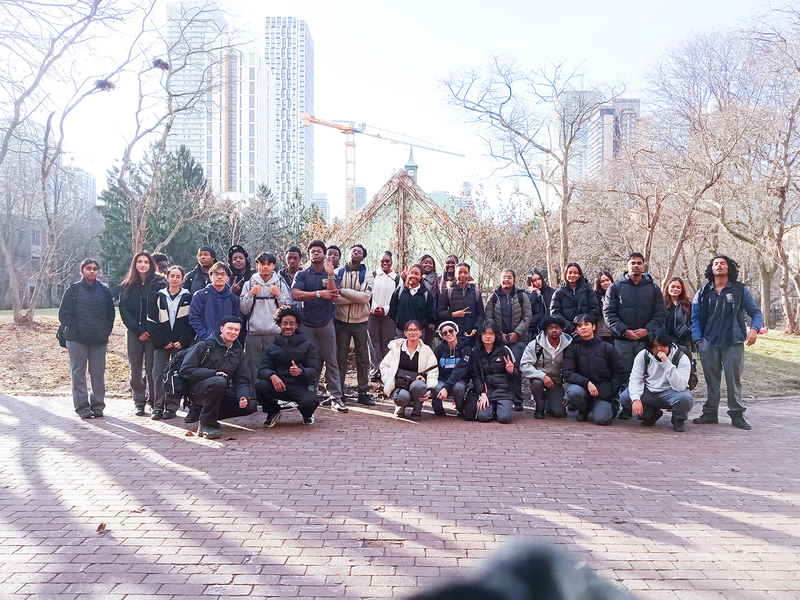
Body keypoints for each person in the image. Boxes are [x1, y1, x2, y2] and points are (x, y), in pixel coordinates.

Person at [691, 255, 762, 430]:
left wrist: (754, 329)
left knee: (733, 380)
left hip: (733, 341)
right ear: (711, 269)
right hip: (709, 342)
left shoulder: (739, 289)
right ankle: (710, 413)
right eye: (715, 263)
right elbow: (695, 318)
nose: (719, 266)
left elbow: (755, 312)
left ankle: (737, 415)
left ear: (729, 267)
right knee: (712, 381)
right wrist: (699, 341)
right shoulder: (704, 291)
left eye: (723, 263)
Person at [291, 240, 348, 413]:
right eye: (312, 251)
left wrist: (330, 274)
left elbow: (333, 296)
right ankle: (308, 393)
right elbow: (295, 294)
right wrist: (317, 294)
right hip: (307, 323)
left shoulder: (331, 273)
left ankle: (335, 397)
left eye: (319, 251)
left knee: (332, 360)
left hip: (326, 323)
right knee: (308, 361)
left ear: (324, 254)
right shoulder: (302, 274)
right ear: (309, 255)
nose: (315, 253)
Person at [603, 252, 666, 405]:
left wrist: (647, 330)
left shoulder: (653, 288)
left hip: (646, 341)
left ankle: (645, 407)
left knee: (645, 374)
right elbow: (608, 313)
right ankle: (625, 406)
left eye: (639, 263)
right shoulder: (615, 287)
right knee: (622, 374)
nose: (636, 266)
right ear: (627, 266)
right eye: (633, 263)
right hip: (622, 340)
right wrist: (624, 331)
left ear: (643, 266)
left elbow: (660, 313)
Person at [179, 316, 256, 439]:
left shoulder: (238, 352)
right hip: (198, 391)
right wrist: (214, 373)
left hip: (222, 390)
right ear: (222, 328)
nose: (233, 332)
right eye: (230, 328)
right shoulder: (204, 345)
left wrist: (243, 396)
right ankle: (206, 424)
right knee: (219, 381)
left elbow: (242, 378)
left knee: (250, 406)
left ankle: (203, 414)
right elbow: (185, 370)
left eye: (236, 330)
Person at [58, 258, 115, 419]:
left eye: (95, 268)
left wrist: (105, 331)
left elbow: (110, 314)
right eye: (88, 268)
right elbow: (63, 314)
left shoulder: (104, 290)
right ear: (81, 271)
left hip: (99, 339)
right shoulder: (73, 290)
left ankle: (98, 405)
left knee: (98, 372)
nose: (92, 271)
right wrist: (77, 329)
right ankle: (82, 407)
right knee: (78, 372)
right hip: (76, 339)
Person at [255, 306, 320, 427]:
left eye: (292, 323)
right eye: (284, 323)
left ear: (296, 325)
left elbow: (315, 370)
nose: (288, 327)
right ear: (279, 324)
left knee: (310, 401)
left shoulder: (308, 346)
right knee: (260, 386)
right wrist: (272, 376)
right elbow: (262, 369)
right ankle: (273, 412)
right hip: (280, 385)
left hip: (301, 385)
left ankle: (307, 414)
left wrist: (301, 371)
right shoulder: (271, 346)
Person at [119, 251, 166, 416]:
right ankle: (139, 401)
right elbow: (123, 308)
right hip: (134, 333)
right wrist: (138, 329)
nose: (143, 265)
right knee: (136, 370)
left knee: (153, 370)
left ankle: (154, 402)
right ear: (135, 264)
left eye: (146, 262)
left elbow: (162, 307)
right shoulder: (127, 284)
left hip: (154, 333)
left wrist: (152, 330)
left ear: (151, 264)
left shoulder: (160, 282)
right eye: (140, 261)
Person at [619, 329, 693, 432]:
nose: (658, 349)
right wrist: (636, 399)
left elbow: (680, 386)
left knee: (685, 398)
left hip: (672, 392)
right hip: (649, 391)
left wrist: (666, 362)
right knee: (625, 397)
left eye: (662, 345)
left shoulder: (681, 357)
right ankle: (651, 414)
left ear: (668, 344)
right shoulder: (643, 356)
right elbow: (636, 378)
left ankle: (678, 419)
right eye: (654, 346)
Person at [239, 252, 292, 394]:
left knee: (277, 364)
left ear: (273, 266)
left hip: (275, 332)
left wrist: (278, 295)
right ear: (257, 265)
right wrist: (251, 294)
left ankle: (276, 395)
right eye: (262, 264)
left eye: (269, 264)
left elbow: (287, 309)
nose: (266, 267)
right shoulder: (249, 284)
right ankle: (256, 396)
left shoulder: (280, 284)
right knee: (253, 366)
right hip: (254, 333)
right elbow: (243, 309)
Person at [147, 265, 194, 420]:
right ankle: (158, 407)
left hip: (180, 344)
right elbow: (151, 321)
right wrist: (163, 340)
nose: (174, 279)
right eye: (172, 276)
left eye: (178, 276)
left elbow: (191, 323)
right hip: (162, 344)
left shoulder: (188, 298)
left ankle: (172, 407)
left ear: (182, 279)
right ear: (167, 277)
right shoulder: (158, 296)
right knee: (158, 374)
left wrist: (182, 341)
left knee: (175, 375)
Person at [562, 314, 626, 426]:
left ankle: (610, 405)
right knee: (573, 392)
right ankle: (583, 409)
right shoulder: (573, 348)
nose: (583, 328)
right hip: (582, 387)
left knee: (602, 419)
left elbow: (619, 372)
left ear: (593, 326)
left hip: (602, 390)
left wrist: (611, 392)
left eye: (586, 324)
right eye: (579, 326)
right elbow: (567, 373)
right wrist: (587, 383)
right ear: (576, 329)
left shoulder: (607, 347)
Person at [484, 269, 532, 411]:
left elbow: (527, 317)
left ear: (514, 279)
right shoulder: (494, 297)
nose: (506, 280)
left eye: (509, 277)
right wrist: (499, 334)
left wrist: (517, 332)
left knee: (514, 367)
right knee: (497, 367)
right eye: (504, 277)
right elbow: (489, 317)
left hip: (518, 339)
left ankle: (517, 399)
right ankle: (499, 398)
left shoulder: (522, 296)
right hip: (498, 339)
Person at [334, 244, 375, 406]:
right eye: (353, 251)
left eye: (359, 252)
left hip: (360, 322)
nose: (356, 253)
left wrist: (343, 291)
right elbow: (334, 298)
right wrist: (355, 297)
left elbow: (365, 298)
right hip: (341, 322)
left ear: (363, 257)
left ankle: (363, 392)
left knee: (362, 358)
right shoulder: (338, 273)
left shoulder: (368, 274)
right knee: (340, 358)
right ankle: (339, 392)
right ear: (349, 253)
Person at [380, 320, 438, 421]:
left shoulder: (426, 350)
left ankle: (417, 410)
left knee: (419, 386)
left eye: (416, 330)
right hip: (400, 385)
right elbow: (384, 365)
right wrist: (388, 380)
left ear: (420, 332)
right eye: (410, 330)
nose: (413, 332)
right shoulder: (396, 349)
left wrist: (430, 388)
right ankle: (400, 407)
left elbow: (433, 371)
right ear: (405, 332)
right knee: (402, 397)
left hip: (416, 385)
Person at [520, 315, 572, 419]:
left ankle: (548, 401)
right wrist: (542, 375)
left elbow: (573, 369)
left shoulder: (568, 346)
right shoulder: (535, 344)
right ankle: (539, 407)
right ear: (545, 330)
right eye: (551, 327)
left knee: (558, 413)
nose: (554, 330)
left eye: (557, 327)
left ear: (561, 329)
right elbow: (524, 365)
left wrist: (568, 393)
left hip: (557, 380)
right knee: (536, 383)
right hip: (540, 378)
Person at [469, 321, 518, 424]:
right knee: (483, 417)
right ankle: (493, 408)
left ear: (496, 335)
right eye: (485, 333)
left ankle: (503, 407)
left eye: (491, 334)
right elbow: (476, 376)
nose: (488, 336)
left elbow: (515, 375)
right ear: (480, 335)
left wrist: (511, 371)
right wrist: (482, 393)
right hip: (487, 391)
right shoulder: (475, 352)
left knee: (504, 418)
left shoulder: (505, 350)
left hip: (504, 391)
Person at [368, 251, 401, 382]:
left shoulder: (397, 279)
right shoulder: (373, 275)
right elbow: (368, 294)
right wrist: (375, 307)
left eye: (387, 261)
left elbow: (398, 298)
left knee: (387, 343)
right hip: (372, 315)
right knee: (373, 344)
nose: (385, 263)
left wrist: (386, 309)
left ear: (391, 262)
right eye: (382, 261)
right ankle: (374, 371)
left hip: (388, 316)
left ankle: (385, 372)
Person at [188, 261, 240, 342]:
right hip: (205, 341)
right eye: (216, 274)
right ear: (210, 277)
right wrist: (205, 336)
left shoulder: (233, 298)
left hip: (227, 341)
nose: (219, 277)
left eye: (223, 274)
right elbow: (194, 318)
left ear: (228, 278)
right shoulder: (200, 295)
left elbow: (237, 319)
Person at [436, 262, 483, 346]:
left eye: (465, 272)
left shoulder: (476, 291)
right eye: (459, 272)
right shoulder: (449, 291)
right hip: (453, 335)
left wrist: (475, 328)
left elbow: (480, 314)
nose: (462, 275)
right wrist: (453, 314)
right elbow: (439, 313)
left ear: (469, 274)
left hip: (472, 336)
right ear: (455, 274)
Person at [432, 321, 471, 417]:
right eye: (445, 333)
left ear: (456, 331)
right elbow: (433, 367)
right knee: (437, 388)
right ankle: (438, 409)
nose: (449, 334)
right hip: (442, 379)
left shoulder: (466, 349)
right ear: (442, 336)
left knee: (458, 388)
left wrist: (446, 387)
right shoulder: (438, 350)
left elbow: (460, 370)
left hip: (459, 379)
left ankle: (460, 408)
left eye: (451, 331)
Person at [550, 262, 600, 336]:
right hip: (566, 333)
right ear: (565, 274)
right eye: (570, 273)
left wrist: (582, 326)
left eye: (575, 273)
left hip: (586, 331)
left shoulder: (588, 290)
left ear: (579, 274)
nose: (572, 275)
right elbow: (555, 313)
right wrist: (570, 328)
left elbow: (595, 309)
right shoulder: (559, 293)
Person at [388, 263, 436, 338]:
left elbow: (430, 313)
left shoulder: (425, 293)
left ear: (420, 276)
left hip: (418, 333)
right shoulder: (400, 290)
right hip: (401, 332)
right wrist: (399, 322)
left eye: (417, 274)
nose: (413, 276)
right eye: (411, 273)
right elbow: (392, 310)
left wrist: (422, 324)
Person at [663, 276, 692, 349]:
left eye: (678, 287)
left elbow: (695, 321)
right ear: (668, 288)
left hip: (684, 343)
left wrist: (686, 330)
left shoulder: (688, 305)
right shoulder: (661, 304)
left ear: (682, 290)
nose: (675, 289)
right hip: (665, 344)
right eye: (673, 287)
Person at [527, 269, 555, 341]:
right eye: (534, 280)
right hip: (533, 330)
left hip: (548, 327)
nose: (538, 282)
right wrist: (533, 294)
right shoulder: (527, 295)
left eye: (539, 279)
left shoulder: (551, 292)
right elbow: (527, 310)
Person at [594, 270, 614, 344]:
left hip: (614, 332)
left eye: (607, 280)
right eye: (602, 281)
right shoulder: (595, 296)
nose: (605, 283)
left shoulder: (617, 294)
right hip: (600, 332)